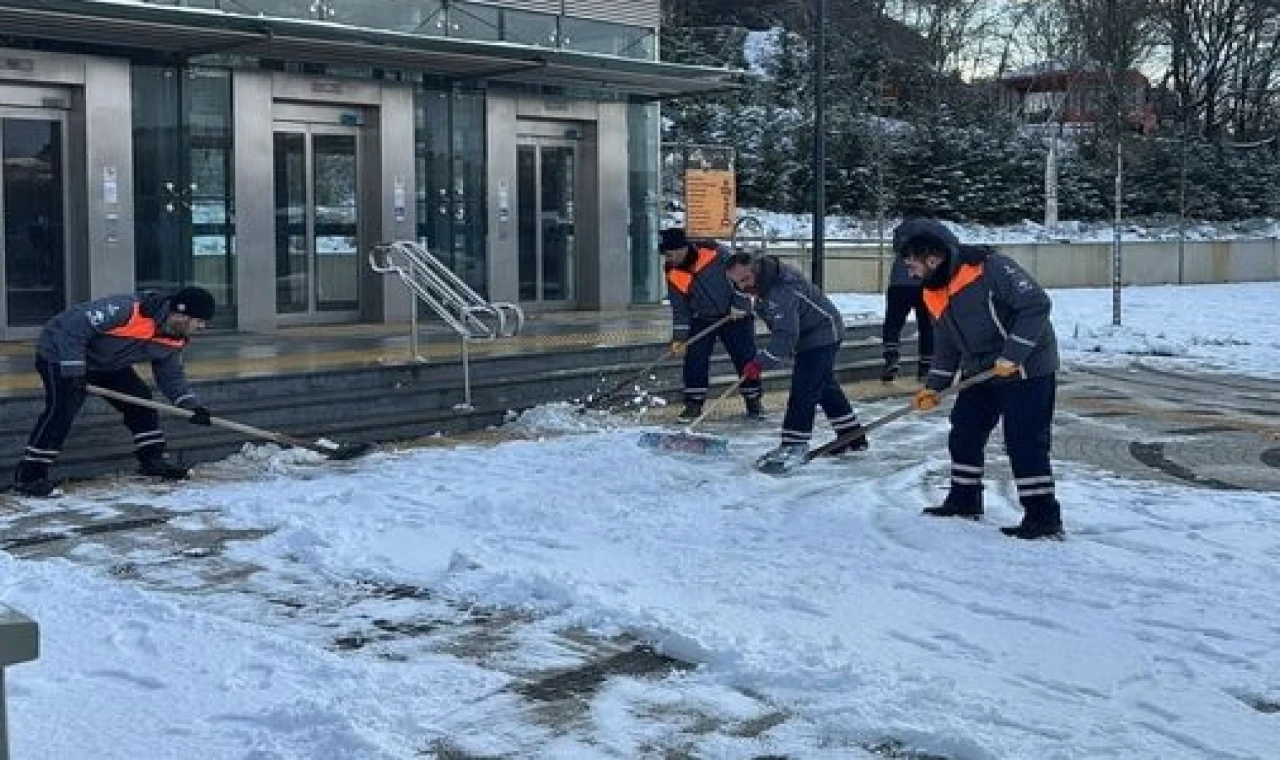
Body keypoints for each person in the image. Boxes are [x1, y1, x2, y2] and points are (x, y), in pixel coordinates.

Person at [895, 217, 1064, 540]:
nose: (909, 271)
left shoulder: (991, 268)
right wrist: (934, 388)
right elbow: (946, 345)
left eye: (911, 262)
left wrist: (1013, 355)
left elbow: (1036, 305)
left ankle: (1043, 516)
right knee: (965, 431)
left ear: (933, 256)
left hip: (1027, 367)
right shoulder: (933, 291)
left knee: (1024, 440)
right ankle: (964, 498)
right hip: (981, 370)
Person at [12, 287, 218, 497]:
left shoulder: (174, 337)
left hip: (108, 364)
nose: (202, 327)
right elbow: (73, 328)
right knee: (62, 410)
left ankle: (153, 461)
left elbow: (171, 376)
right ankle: (30, 476)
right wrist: (74, 370)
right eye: (199, 321)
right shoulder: (128, 309)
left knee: (141, 402)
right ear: (182, 315)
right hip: (59, 353)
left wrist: (191, 406)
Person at [725, 251, 866, 472]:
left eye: (745, 280)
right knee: (825, 386)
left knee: (804, 389)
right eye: (737, 283)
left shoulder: (782, 289)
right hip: (808, 336)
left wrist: (760, 363)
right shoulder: (765, 283)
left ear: (756, 271)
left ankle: (794, 444)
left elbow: (786, 335)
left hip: (822, 334)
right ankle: (852, 437)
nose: (743, 287)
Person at [660, 227, 763, 421]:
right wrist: (679, 338)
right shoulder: (672, 271)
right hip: (703, 316)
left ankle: (753, 400)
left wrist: (739, 304)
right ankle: (693, 405)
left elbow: (743, 277)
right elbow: (680, 309)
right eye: (667, 254)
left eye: (672, 253)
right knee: (695, 359)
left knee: (745, 357)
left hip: (736, 316)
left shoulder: (716, 253)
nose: (670, 258)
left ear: (684, 248)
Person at [880, 250, 934, 382]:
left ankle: (891, 358)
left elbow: (897, 247)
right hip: (925, 283)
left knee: (892, 324)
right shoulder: (938, 231)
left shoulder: (903, 230)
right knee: (927, 327)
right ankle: (925, 368)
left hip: (899, 284)